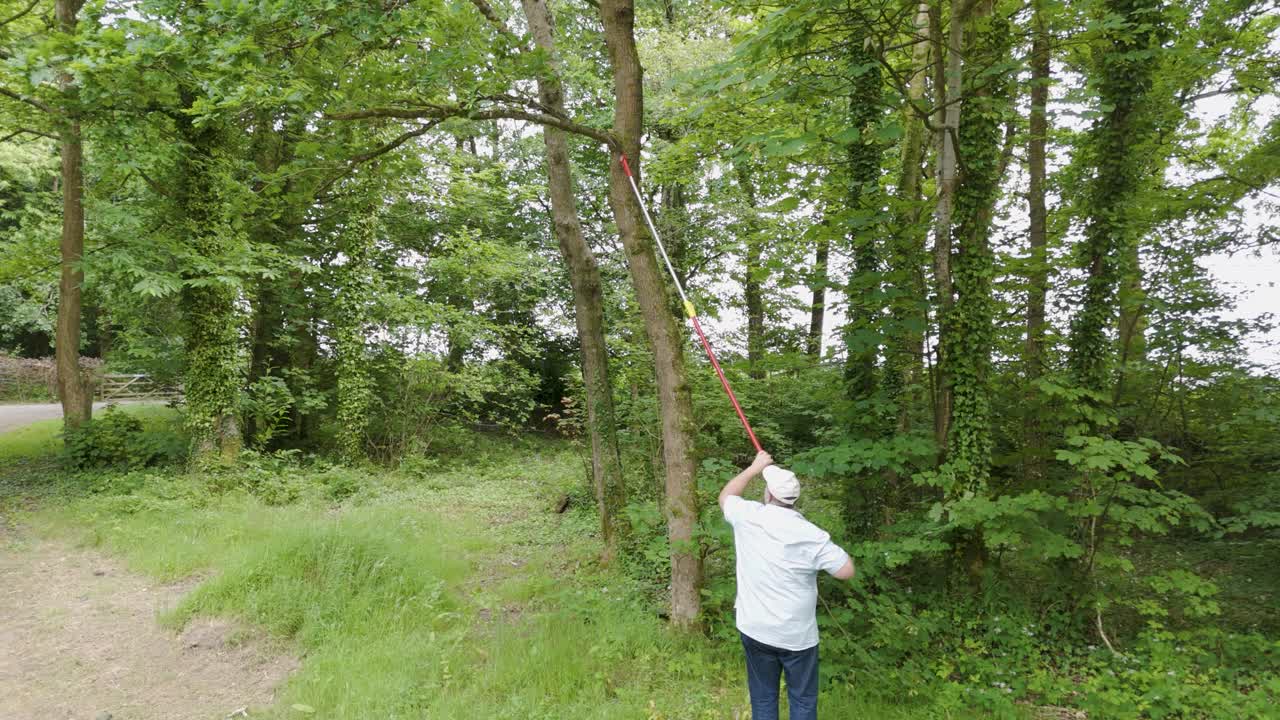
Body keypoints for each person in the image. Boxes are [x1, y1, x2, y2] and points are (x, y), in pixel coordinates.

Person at [719, 450, 855, 720]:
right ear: (794, 499)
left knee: (763, 698)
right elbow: (846, 571)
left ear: (768, 494)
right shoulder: (811, 535)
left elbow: (725, 497)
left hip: (756, 629)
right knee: (802, 701)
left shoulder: (749, 516)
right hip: (797, 636)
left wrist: (754, 468)